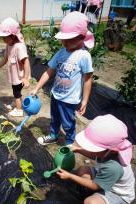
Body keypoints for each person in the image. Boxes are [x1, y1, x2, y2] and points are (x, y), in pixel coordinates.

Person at [57, 114, 135, 204]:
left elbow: (95, 185)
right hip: (104, 178)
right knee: (82, 170)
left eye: (93, 147)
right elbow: (95, 155)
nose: (91, 150)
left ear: (111, 150)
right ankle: (95, 194)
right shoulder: (108, 152)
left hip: (117, 193)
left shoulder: (114, 167)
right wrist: (78, 150)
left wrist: (70, 176)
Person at [31, 12, 94, 146]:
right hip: (56, 94)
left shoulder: (84, 56)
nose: (64, 42)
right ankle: (53, 136)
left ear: (81, 37)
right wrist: (37, 87)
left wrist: (84, 100)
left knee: (68, 122)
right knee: (55, 118)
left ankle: (69, 143)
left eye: (69, 39)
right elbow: (49, 72)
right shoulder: (61, 53)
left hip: (69, 99)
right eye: (63, 39)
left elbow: (88, 79)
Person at [0, 17, 31, 117]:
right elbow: (5, 59)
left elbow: (26, 62)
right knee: (16, 92)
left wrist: (26, 78)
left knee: (16, 92)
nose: (3, 40)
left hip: (20, 77)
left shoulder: (19, 47)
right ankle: (18, 104)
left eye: (5, 37)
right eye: (2, 38)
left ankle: (19, 110)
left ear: (13, 36)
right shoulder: (9, 45)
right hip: (15, 76)